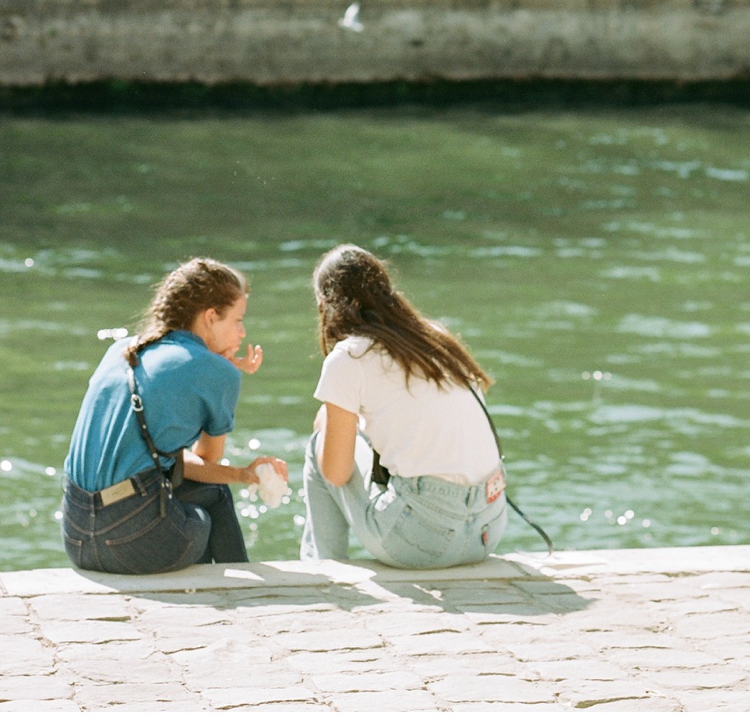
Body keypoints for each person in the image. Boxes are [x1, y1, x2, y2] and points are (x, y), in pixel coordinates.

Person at [61, 259, 286, 574]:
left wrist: (242, 474)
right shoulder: (215, 370)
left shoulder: (121, 351)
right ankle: (241, 593)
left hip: (77, 537)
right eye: (238, 319)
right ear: (210, 317)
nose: (242, 331)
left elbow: (157, 458)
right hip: (130, 544)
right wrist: (223, 373)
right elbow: (206, 461)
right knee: (208, 511)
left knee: (182, 491)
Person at [300, 245, 509, 569]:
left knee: (320, 446)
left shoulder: (350, 357)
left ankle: (322, 569)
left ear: (325, 303)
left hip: (423, 542)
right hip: (488, 529)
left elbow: (336, 473)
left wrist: (330, 420)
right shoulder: (432, 338)